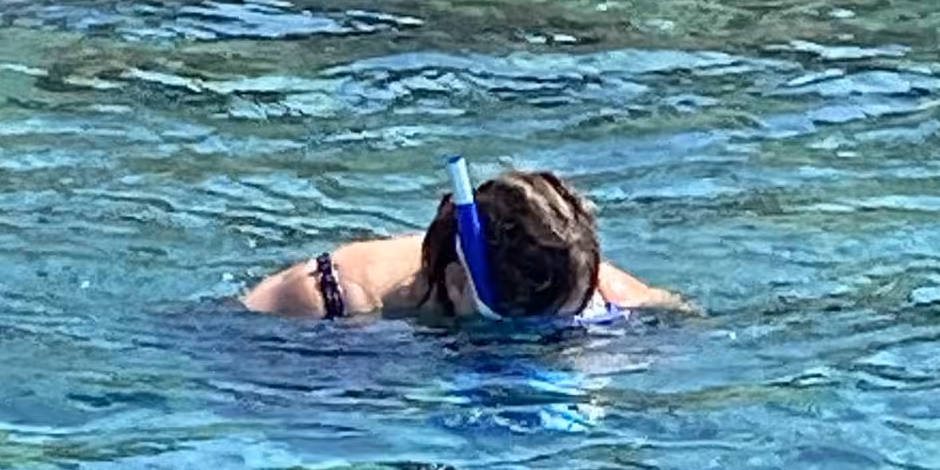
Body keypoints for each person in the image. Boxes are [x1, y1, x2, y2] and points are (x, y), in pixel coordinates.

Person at [242, 168, 689, 321]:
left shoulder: (573, 280)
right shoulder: (324, 301)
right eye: (514, 331)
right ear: (457, 283)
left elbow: (682, 320)